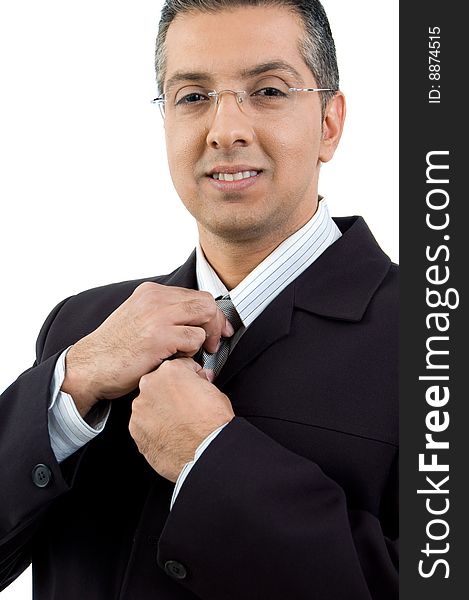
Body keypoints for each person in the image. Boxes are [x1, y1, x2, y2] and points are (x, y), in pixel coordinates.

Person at [0, 1, 398, 598]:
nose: (225, 129)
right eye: (192, 96)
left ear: (329, 123)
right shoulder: (81, 328)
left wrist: (212, 462)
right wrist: (69, 387)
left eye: (267, 90)